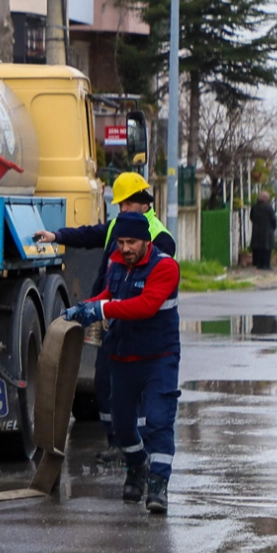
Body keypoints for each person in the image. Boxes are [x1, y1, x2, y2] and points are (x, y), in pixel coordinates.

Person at [33, 171, 175, 462]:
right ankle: (118, 442)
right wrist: (57, 236)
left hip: (142, 329)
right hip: (114, 319)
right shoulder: (119, 228)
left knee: (144, 394)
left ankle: (141, 451)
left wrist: (102, 308)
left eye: (125, 203)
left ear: (142, 202)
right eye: (119, 204)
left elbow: (147, 299)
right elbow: (90, 234)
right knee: (104, 381)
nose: (120, 209)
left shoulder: (159, 238)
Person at [64, 211, 181, 515]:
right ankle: (137, 465)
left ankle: (157, 484)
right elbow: (109, 293)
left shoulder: (166, 267)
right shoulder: (116, 262)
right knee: (122, 425)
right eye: (121, 241)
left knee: (158, 421)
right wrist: (87, 306)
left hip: (159, 358)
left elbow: (146, 305)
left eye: (131, 242)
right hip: (122, 355)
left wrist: (102, 308)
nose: (125, 247)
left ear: (146, 241)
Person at [249, 190, 277, 270]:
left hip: (257, 231)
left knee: (258, 248)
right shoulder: (268, 208)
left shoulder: (254, 207)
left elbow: (251, 217)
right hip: (267, 232)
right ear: (266, 199)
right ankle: (266, 265)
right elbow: (273, 219)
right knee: (267, 248)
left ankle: (259, 264)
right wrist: (273, 227)